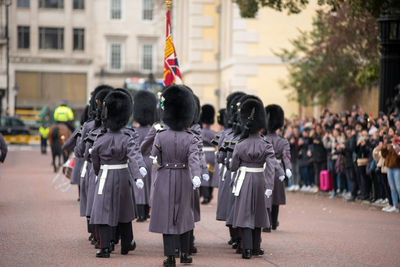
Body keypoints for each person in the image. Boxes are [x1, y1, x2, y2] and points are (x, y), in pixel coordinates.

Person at [149, 85, 201, 267]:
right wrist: (196, 176)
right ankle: (185, 254)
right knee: (185, 216)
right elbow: (194, 159)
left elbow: (154, 158)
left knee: (166, 216)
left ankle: (170, 256)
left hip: (164, 177)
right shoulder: (191, 137)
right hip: (185, 177)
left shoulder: (160, 136)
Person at [90, 90, 143, 258]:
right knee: (125, 212)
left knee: (104, 211)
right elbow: (133, 158)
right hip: (122, 175)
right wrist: (137, 176)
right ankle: (127, 244)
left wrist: (98, 172)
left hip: (105, 176)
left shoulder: (100, 138)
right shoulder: (127, 138)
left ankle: (105, 247)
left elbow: (94, 159)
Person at [230, 96, 275, 259]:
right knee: (258, 214)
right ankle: (256, 248)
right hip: (260, 180)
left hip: (244, 180)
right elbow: (271, 167)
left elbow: (234, 166)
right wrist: (269, 186)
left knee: (245, 214)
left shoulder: (240, 144)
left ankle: (247, 249)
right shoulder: (266, 144)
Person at [264, 104, 292, 231]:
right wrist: (288, 169)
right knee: (276, 198)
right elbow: (286, 156)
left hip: (265, 168)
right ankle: (274, 222)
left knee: (266, 195)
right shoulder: (282, 141)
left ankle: (266, 222)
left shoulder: (263, 139)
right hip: (278, 168)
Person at [132, 90, 157, 222]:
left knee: (139, 188)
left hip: (138, 161)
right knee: (149, 186)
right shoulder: (154, 130)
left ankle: (140, 213)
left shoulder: (134, 131)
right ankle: (147, 212)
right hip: (151, 160)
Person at [199, 104, 217, 204]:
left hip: (203, 154)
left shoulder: (200, 132)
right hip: (212, 154)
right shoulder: (213, 133)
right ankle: (209, 194)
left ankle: (206, 196)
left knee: (204, 174)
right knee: (211, 173)